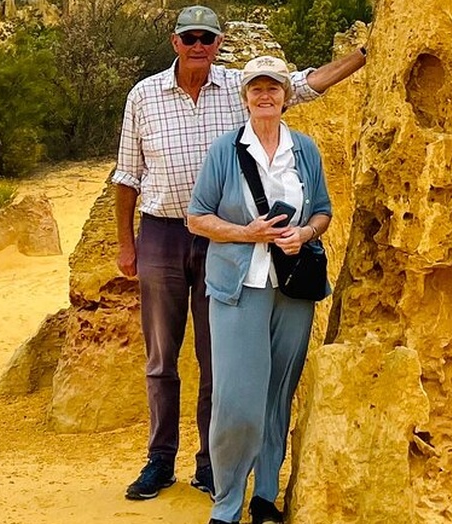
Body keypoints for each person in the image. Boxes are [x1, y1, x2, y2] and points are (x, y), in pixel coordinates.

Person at [113, 4, 365, 501]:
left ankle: (212, 464)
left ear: (219, 43)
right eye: (190, 38)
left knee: (217, 359)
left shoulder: (240, 87)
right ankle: (160, 459)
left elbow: (307, 84)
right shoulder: (143, 95)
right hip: (164, 232)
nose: (199, 45)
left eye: (207, 37)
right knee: (161, 355)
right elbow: (127, 174)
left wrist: (364, 54)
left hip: (227, 238)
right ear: (175, 43)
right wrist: (127, 243)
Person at [186, 55, 332, 524]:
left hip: (291, 289)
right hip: (238, 287)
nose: (265, 96)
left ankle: (265, 494)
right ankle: (227, 501)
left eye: (273, 88)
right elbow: (197, 216)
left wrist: (304, 234)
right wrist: (247, 233)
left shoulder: (305, 150)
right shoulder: (224, 151)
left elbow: (322, 211)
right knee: (236, 400)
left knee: (278, 394)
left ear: (286, 97)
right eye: (256, 89)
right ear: (244, 97)